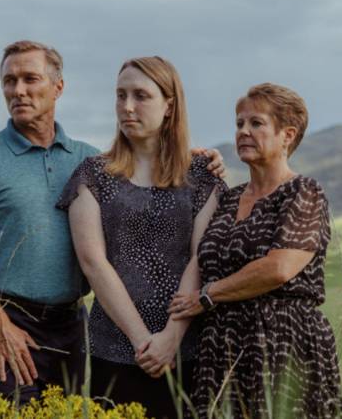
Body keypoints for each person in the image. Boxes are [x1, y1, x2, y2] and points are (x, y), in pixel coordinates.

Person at [0, 42, 225, 404]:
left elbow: (147, 165)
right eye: (9, 81)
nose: (18, 90)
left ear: (58, 87)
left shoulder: (88, 160)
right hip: (8, 317)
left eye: (30, 79)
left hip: (71, 323)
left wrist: (198, 157)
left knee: (67, 412)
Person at [56, 56, 226, 419]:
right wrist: (142, 342)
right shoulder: (92, 174)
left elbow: (202, 257)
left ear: (169, 105)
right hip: (114, 348)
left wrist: (171, 337)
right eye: (120, 95)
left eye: (141, 96)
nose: (127, 107)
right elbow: (92, 261)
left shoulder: (202, 174)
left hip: (189, 347)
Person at [170, 83, 342, 418]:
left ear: (287, 135)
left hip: (283, 340)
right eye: (239, 124)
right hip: (220, 343)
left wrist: (207, 296)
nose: (243, 132)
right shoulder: (229, 198)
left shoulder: (303, 192)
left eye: (256, 123)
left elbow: (279, 268)